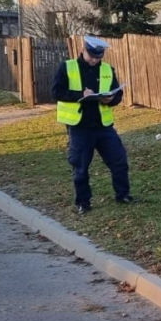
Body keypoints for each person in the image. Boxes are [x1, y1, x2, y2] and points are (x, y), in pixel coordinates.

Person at [52, 35, 133, 214]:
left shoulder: (107, 69)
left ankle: (123, 194)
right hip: (79, 127)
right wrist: (80, 94)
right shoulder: (67, 67)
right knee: (80, 166)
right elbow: (57, 92)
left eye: (98, 57)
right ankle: (83, 202)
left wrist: (111, 99)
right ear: (84, 50)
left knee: (119, 161)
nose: (95, 60)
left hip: (103, 126)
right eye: (92, 56)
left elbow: (117, 94)